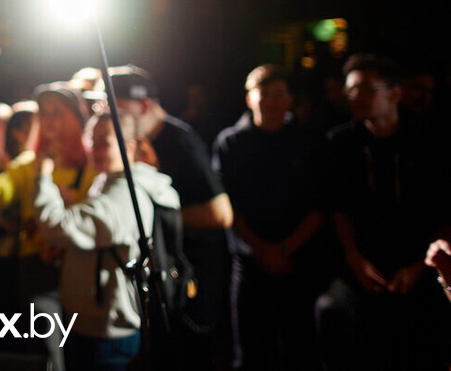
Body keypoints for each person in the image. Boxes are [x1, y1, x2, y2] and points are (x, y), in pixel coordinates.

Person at [93, 64, 234, 370]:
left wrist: (155, 217)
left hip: (191, 283)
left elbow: (221, 214)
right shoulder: (139, 142)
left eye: (115, 107)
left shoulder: (179, 139)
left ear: (144, 106)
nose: (109, 115)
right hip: (162, 282)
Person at [316, 53, 451, 370]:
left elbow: (446, 214)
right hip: (363, 262)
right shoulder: (341, 142)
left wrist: (419, 267)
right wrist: (354, 259)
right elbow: (340, 210)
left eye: (365, 88)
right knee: (331, 312)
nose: (355, 97)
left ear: (394, 92)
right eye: (350, 90)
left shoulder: (429, 140)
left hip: (421, 262)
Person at [33, 112, 181, 371]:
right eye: (92, 139)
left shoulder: (125, 193)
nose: (95, 148)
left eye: (105, 141)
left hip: (105, 335)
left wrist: (42, 177)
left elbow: (58, 227)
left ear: (130, 147)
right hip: (95, 326)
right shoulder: (109, 180)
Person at [0, 82, 99, 371]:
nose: (50, 120)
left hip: (84, 270)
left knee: (84, 354)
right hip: (39, 273)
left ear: (75, 116)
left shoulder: (93, 164)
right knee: (49, 356)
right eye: (44, 113)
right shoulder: (29, 164)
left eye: (58, 112)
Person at [213, 65, 327, 370]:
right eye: (264, 95)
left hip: (299, 260)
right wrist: (261, 249)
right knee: (250, 353)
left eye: (279, 95)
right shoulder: (230, 143)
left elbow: (320, 204)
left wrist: (287, 248)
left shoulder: (307, 140)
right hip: (250, 262)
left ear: (290, 98)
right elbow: (227, 204)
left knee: (301, 349)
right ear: (250, 99)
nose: (272, 102)